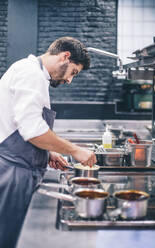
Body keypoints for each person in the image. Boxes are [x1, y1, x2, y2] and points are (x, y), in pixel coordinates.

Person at [0, 36, 97, 248]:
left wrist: (48, 152)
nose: (70, 80)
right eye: (73, 72)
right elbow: (33, 130)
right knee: (7, 236)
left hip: (20, 167)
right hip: (14, 173)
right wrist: (75, 150)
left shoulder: (35, 74)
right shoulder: (30, 73)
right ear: (65, 56)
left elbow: (18, 124)